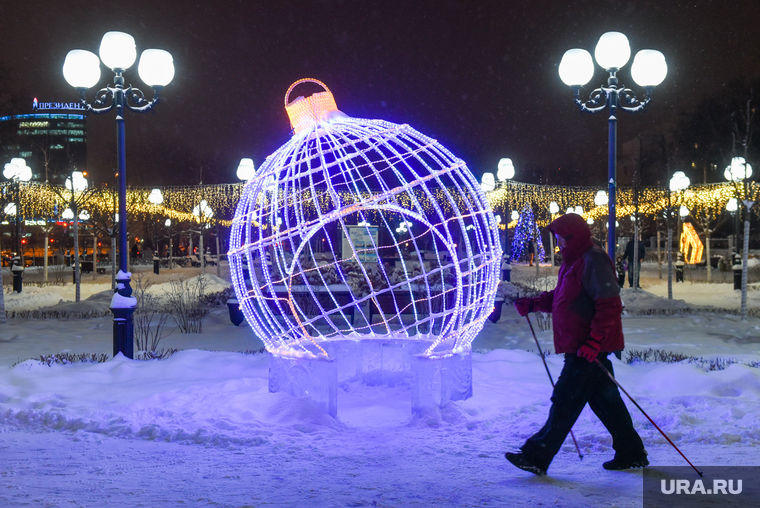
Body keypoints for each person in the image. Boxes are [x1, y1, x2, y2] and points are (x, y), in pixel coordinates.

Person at [507, 213, 647, 476]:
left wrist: (594, 342)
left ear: (575, 237)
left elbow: (609, 304)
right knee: (606, 401)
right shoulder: (575, 262)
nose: (559, 244)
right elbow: (566, 299)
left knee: (565, 399)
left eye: (561, 239)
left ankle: (536, 455)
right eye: (557, 239)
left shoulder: (593, 259)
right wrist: (535, 303)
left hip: (587, 348)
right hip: (581, 346)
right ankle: (631, 452)